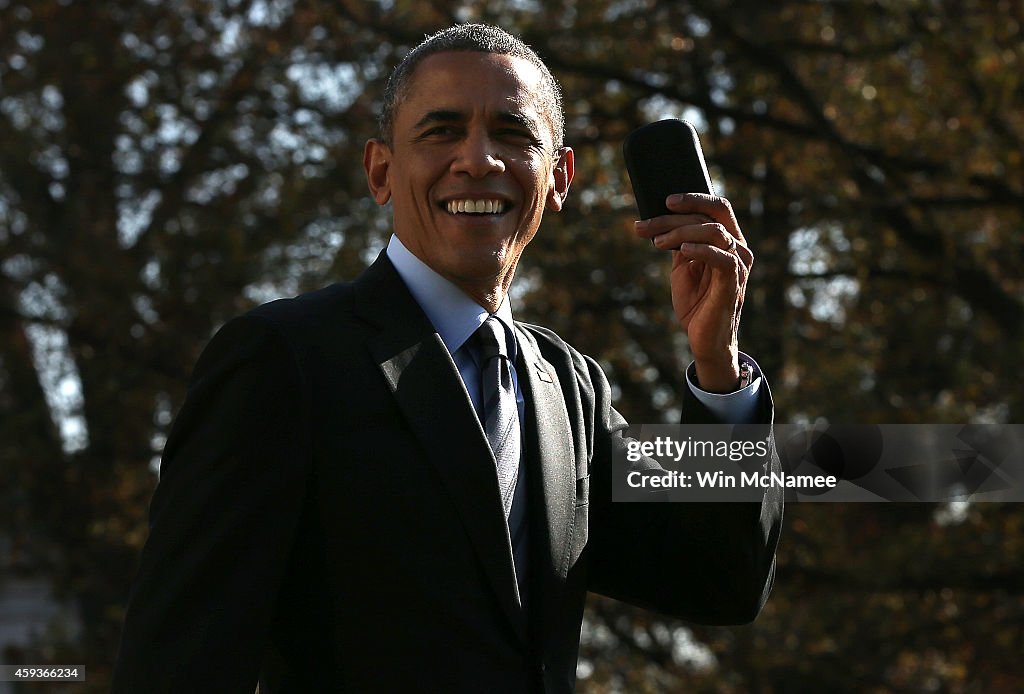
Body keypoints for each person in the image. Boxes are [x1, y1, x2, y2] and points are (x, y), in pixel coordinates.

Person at [112, 23, 782, 694]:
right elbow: (178, 660)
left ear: (560, 179)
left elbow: (719, 581)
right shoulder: (283, 359)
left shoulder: (569, 388)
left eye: (514, 134)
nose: (479, 160)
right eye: (441, 131)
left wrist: (718, 365)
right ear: (380, 170)